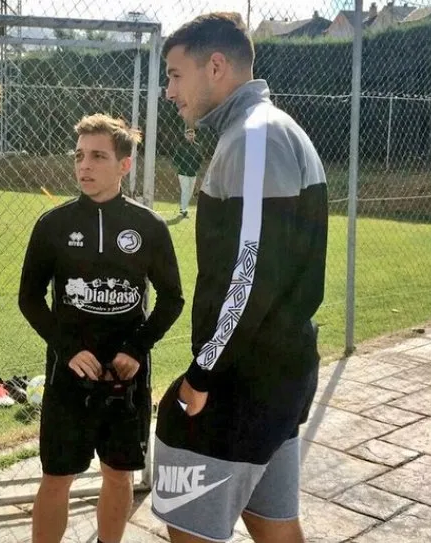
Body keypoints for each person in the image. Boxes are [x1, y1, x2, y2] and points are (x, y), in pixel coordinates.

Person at [151, 12, 328, 543]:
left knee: (189, 527)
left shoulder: (254, 137)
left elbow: (248, 275)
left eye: (176, 75)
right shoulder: (257, 131)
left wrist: (202, 374)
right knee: (273, 524)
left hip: (242, 379)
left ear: (217, 66)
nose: (169, 91)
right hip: (272, 370)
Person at [19, 113, 185, 543]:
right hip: (69, 373)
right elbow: (30, 299)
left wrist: (136, 348)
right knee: (57, 475)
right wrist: (68, 348)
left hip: (126, 375)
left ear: (124, 166)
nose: (84, 166)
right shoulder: (52, 225)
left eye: (97, 156)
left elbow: (172, 299)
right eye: (79, 156)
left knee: (118, 473)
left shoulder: (148, 226)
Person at [170, 128, 203, 219]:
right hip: (183, 172)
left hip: (193, 172)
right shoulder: (181, 146)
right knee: (185, 190)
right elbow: (175, 159)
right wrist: (181, 166)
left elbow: (200, 158)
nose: (191, 136)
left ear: (194, 135)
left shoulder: (197, 146)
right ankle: (183, 209)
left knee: (190, 191)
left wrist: (196, 167)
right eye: (189, 135)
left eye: (192, 134)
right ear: (185, 136)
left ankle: (184, 207)